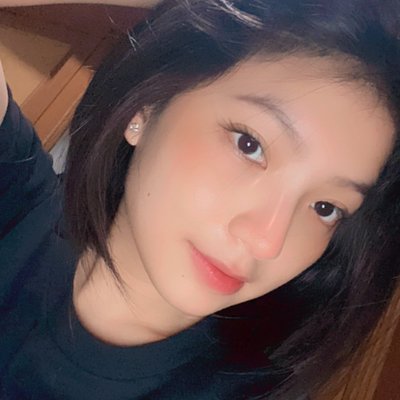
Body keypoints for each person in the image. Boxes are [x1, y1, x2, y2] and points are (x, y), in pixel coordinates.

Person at [1, 0, 400, 399]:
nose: (266, 241)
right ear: (146, 105)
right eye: (250, 145)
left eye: (326, 208)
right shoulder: (17, 189)